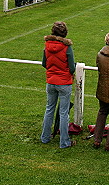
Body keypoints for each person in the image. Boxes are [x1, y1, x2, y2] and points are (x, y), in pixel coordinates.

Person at [40, 21, 76, 149]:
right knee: (63, 112)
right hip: (64, 82)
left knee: (49, 109)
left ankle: (45, 137)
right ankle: (64, 141)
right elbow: (72, 67)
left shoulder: (47, 45)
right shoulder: (67, 47)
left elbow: (44, 63)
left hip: (51, 81)